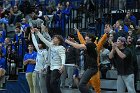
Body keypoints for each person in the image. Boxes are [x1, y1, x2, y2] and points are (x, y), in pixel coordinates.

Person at [33, 28, 66, 93]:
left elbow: (63, 56)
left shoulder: (61, 48)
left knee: (53, 82)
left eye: (55, 38)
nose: (53, 39)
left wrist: (62, 65)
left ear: (59, 41)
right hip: (50, 67)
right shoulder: (51, 45)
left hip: (57, 67)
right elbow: (43, 39)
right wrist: (38, 32)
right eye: (53, 38)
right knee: (48, 85)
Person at [31, 28, 48, 93]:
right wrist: (32, 34)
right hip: (36, 70)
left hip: (42, 71)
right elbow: (34, 42)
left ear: (43, 44)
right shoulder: (38, 50)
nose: (38, 45)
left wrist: (44, 68)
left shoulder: (45, 52)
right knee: (36, 86)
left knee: (42, 87)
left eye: (39, 44)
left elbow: (47, 62)